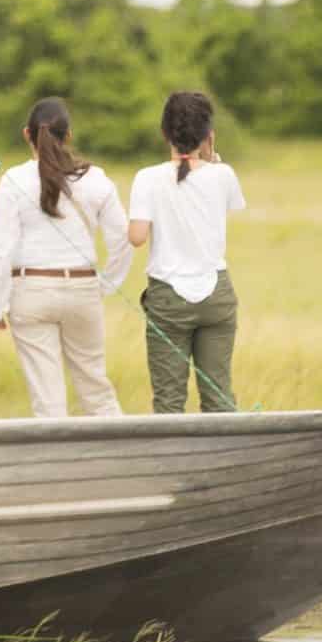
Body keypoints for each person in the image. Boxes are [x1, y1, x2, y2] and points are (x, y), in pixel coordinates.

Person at [0, 98, 132, 417]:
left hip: (31, 291)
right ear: (69, 135)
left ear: (27, 134)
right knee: (97, 392)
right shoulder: (96, 179)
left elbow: (2, 248)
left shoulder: (13, 180)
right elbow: (123, 239)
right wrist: (105, 285)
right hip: (83, 290)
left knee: (48, 403)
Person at [127, 91, 247, 414]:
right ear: (208, 135)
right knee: (219, 396)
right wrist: (213, 157)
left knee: (168, 402)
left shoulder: (147, 178)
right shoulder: (223, 174)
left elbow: (136, 237)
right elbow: (231, 203)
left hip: (168, 300)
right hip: (216, 296)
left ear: (165, 133)